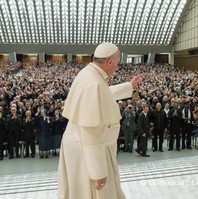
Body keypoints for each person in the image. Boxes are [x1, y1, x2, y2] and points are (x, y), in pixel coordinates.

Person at [58, 42, 144, 199]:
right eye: (117, 64)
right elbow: (92, 132)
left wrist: (129, 85)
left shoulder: (89, 73)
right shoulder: (94, 82)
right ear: (109, 62)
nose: (116, 68)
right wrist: (99, 172)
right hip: (87, 154)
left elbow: (104, 93)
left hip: (80, 146)